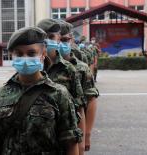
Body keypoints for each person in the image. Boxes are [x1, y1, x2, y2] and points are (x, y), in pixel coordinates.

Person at [0, 27, 82, 155]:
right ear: (12, 55)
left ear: (43, 54)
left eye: (31, 53)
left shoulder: (58, 94)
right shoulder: (0, 95)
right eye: (19, 53)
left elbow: (71, 143)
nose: (25, 58)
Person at [37, 19, 86, 155]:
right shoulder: (32, 68)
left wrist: (82, 141)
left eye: (53, 37)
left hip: (62, 139)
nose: (49, 41)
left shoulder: (69, 69)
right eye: (46, 37)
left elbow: (80, 107)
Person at [58, 20, 99, 152]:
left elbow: (88, 101)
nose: (60, 43)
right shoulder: (40, 67)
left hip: (73, 132)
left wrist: (86, 135)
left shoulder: (79, 65)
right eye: (56, 39)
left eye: (65, 39)